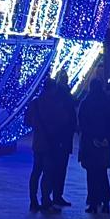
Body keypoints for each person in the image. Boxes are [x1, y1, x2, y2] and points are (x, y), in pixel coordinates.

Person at [78, 80, 110, 213]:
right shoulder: (108, 102)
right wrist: (107, 138)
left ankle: (93, 202)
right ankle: (105, 202)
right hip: (104, 145)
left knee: (92, 174)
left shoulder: (86, 102)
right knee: (102, 173)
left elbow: (82, 124)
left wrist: (92, 138)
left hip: (90, 144)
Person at [48, 74, 76, 207]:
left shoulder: (57, 96)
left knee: (53, 167)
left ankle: (52, 195)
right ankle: (56, 195)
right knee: (60, 168)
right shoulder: (65, 96)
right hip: (63, 137)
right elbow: (70, 117)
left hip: (56, 138)